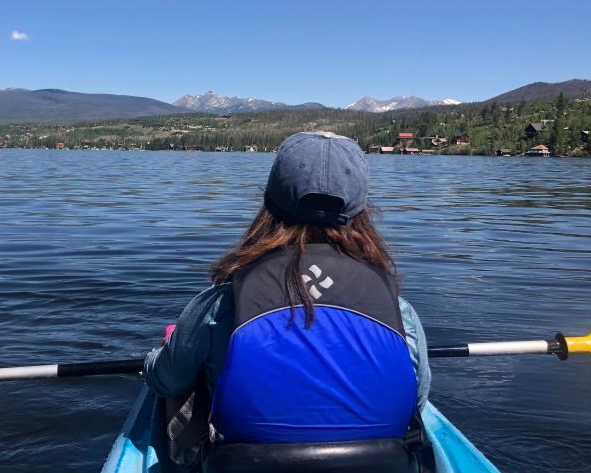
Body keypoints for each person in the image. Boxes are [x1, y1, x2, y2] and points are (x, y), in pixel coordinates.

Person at [144, 130, 430, 449]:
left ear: (269, 204)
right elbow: (416, 402)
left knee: (187, 378)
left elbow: (164, 381)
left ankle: (183, 464)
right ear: (361, 213)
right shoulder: (399, 312)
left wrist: (163, 353)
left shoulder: (221, 305)